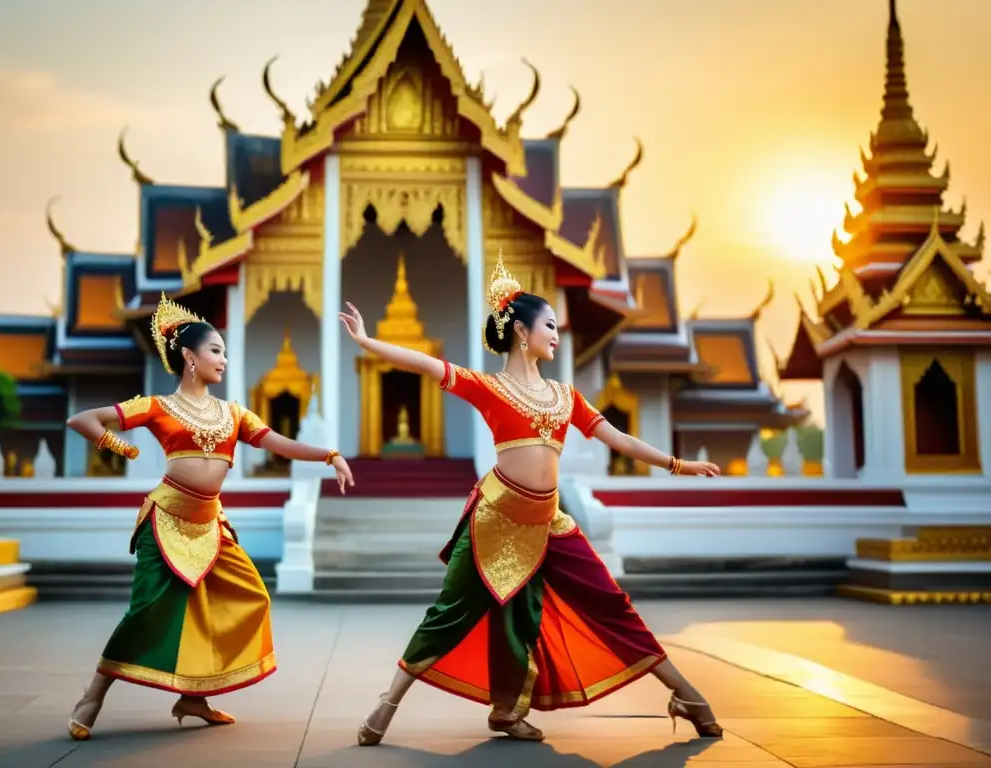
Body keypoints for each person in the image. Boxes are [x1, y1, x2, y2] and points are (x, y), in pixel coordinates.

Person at [344, 252, 724, 746]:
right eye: (549, 325)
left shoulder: (566, 397)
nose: (556, 334)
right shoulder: (490, 388)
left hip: (550, 522)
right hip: (495, 520)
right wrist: (367, 341)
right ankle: (387, 704)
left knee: (611, 606)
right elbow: (428, 364)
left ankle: (684, 694)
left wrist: (679, 465)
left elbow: (622, 441)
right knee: (448, 615)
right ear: (522, 331)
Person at [65, 293, 354, 741]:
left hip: (210, 526)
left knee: (249, 596)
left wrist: (329, 454)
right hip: (164, 523)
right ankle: (93, 696)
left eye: (224, 351)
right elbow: (83, 420)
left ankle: (194, 697)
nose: (223, 359)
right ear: (189, 357)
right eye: (215, 350)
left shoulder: (233, 413)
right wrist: (122, 447)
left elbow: (280, 443)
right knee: (145, 613)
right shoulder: (158, 406)